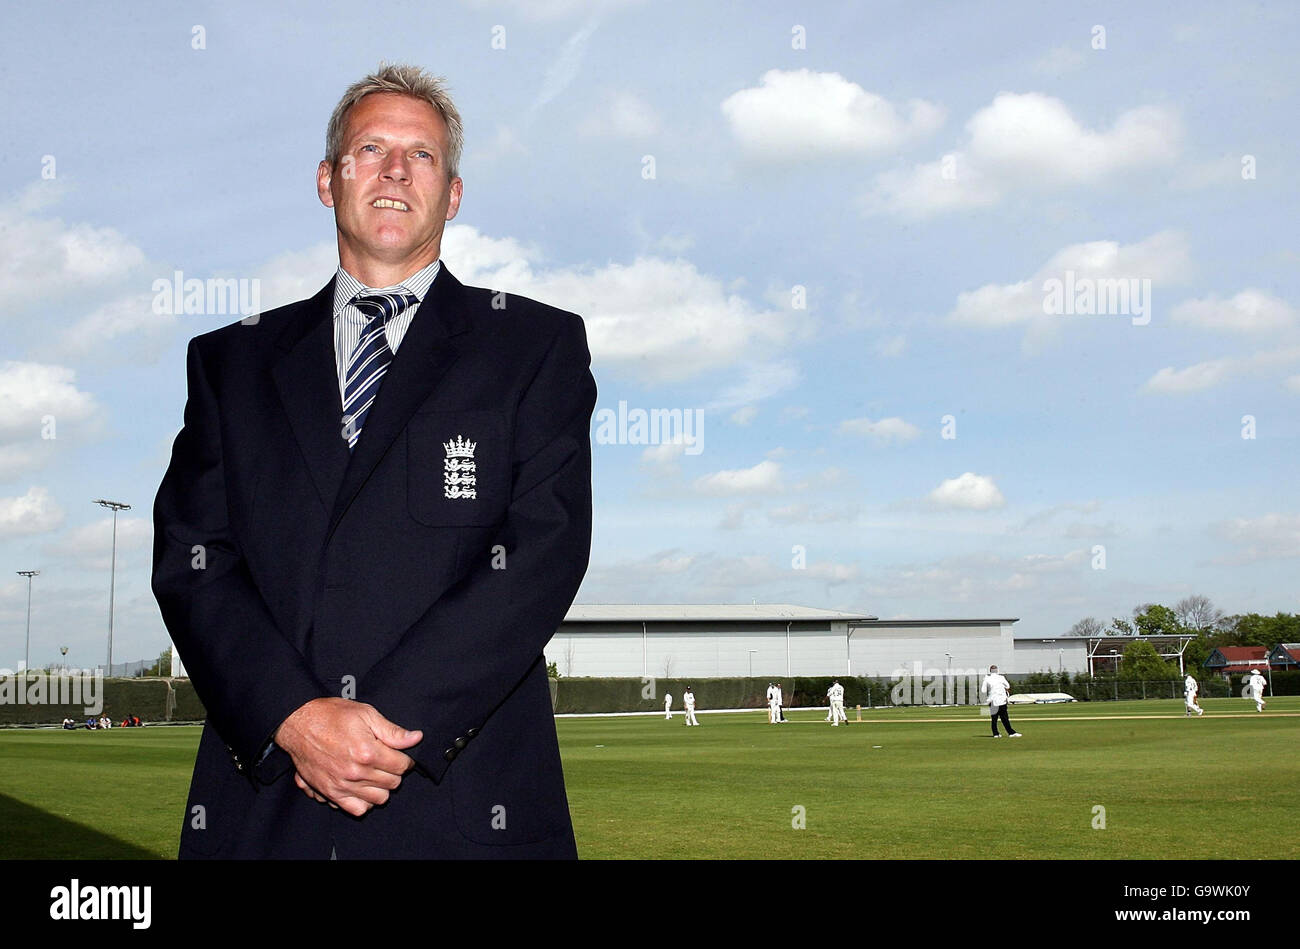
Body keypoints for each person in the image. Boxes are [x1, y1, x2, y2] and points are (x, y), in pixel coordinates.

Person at [151, 64, 595, 859]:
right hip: (267, 802)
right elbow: (193, 561)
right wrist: (294, 716)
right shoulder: (230, 363)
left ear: (452, 194)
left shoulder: (534, 347)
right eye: (371, 148)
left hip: (460, 802)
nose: (395, 169)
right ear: (328, 180)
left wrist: (380, 730)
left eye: (421, 155)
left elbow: (543, 552)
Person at [980, 665, 1021, 738]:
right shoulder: (1001, 678)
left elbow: (983, 691)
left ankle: (995, 734)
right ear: (997, 670)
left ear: (990, 671)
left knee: (994, 719)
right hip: (1001, 700)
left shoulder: (986, 679)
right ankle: (1011, 733)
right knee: (1005, 718)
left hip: (992, 701)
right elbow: (1008, 686)